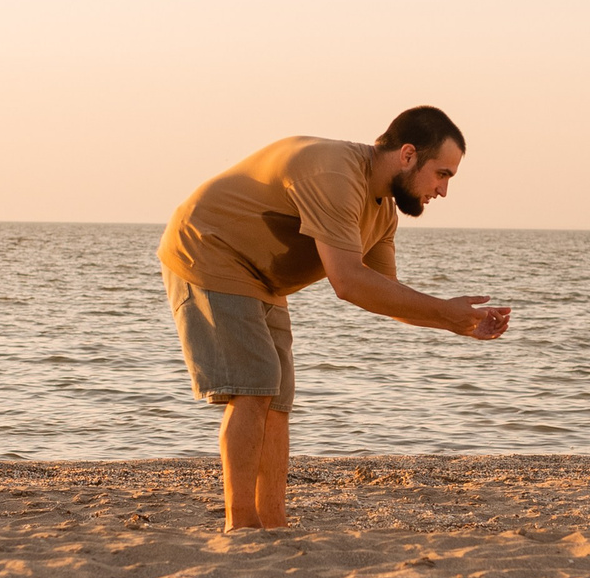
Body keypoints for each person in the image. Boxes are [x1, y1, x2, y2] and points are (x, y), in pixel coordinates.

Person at [159, 107, 509, 529]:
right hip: (207, 249)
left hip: (262, 277)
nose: (443, 190)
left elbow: (385, 295)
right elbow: (347, 281)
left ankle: (273, 522)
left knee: (277, 398)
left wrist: (457, 322)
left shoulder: (382, 215)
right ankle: (241, 525)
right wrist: (444, 311)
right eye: (442, 174)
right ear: (408, 154)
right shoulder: (335, 174)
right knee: (253, 388)